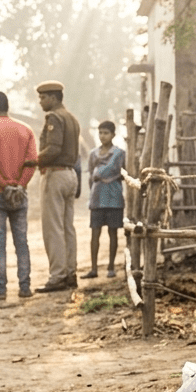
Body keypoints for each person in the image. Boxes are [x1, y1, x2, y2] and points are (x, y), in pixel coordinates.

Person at [0, 90, 38, 301]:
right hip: (20, 195)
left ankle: (0, 288)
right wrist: (19, 186)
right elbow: (32, 163)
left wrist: (4, 186)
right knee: (21, 241)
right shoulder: (25, 129)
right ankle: (25, 286)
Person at [33, 80, 80, 293]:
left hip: (56, 174)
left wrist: (32, 161)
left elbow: (52, 149)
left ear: (53, 97)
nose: (41, 102)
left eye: (43, 97)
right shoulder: (72, 118)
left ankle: (57, 276)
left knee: (53, 228)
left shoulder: (54, 117)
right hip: (70, 174)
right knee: (67, 227)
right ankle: (70, 273)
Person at [82, 120, 125, 279]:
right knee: (95, 233)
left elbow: (123, 173)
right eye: (100, 133)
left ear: (113, 135)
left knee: (113, 233)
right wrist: (92, 192)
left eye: (106, 133)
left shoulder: (119, 154)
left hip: (114, 198)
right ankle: (93, 269)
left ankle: (111, 267)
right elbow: (91, 175)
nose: (103, 136)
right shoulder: (93, 153)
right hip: (97, 197)